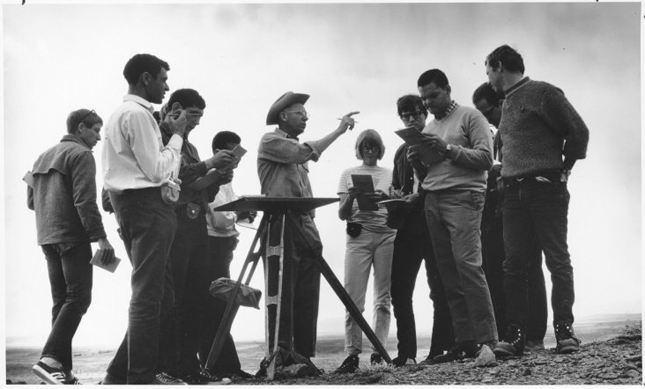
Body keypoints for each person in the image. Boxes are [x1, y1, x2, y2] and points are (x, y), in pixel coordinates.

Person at [485, 45, 589, 356]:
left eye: (488, 69)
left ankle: (564, 332)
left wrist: (563, 169)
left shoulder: (543, 92)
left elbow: (579, 132)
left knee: (557, 260)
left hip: (546, 189)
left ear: (500, 65)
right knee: (514, 264)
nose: (488, 77)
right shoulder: (507, 103)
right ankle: (515, 337)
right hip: (514, 194)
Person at [101, 53, 189, 385]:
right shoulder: (137, 114)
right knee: (150, 295)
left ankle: (116, 374)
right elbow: (155, 170)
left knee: (159, 295)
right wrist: (177, 136)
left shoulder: (120, 115)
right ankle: (139, 377)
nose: (167, 87)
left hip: (132, 207)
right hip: (148, 209)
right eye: (164, 79)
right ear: (147, 78)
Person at [257, 91, 358, 374]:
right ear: (283, 116)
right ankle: (281, 353)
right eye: (300, 113)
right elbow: (306, 153)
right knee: (283, 287)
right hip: (282, 222)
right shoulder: (271, 141)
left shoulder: (293, 145)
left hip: (304, 221)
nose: (305, 118)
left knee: (307, 289)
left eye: (306, 114)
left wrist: (311, 222)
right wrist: (339, 130)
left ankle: (302, 354)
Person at [411, 68, 497, 367]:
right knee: (448, 274)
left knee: (468, 267)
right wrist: (419, 163)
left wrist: (447, 149)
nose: (428, 103)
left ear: (447, 89)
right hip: (433, 199)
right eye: (424, 99)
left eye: (433, 95)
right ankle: (465, 343)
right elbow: (432, 172)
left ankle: (488, 343)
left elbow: (486, 159)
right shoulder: (429, 129)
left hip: (464, 198)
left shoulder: (471, 117)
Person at [27, 109, 115, 385]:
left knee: (62, 301)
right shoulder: (81, 155)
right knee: (79, 298)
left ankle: (60, 370)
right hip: (73, 237)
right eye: (95, 130)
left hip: (47, 236)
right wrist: (101, 237)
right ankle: (50, 358)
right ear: (80, 128)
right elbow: (85, 201)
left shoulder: (42, 156)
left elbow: (31, 202)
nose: (99, 137)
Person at [157, 89, 237, 384]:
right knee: (174, 298)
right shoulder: (161, 138)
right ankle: (168, 366)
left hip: (195, 226)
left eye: (200, 117)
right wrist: (209, 165)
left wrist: (218, 176)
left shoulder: (188, 146)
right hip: (175, 224)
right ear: (175, 109)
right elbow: (175, 173)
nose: (197, 123)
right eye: (193, 115)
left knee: (194, 298)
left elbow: (198, 187)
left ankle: (187, 369)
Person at [472, 82, 548, 352]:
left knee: (531, 267)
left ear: (502, 102)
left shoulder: (520, 126)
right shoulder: (498, 134)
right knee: (514, 269)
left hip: (530, 203)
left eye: (488, 111)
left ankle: (535, 337)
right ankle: (517, 335)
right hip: (506, 208)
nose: (488, 119)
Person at [389, 95, 454, 367]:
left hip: (432, 222)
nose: (411, 119)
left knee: (438, 288)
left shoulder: (433, 142)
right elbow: (398, 185)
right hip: (408, 225)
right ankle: (407, 354)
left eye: (416, 113)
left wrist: (420, 193)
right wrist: (394, 195)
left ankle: (439, 350)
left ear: (424, 114)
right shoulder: (400, 151)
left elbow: (442, 181)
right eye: (406, 115)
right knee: (399, 290)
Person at [334, 129, 395, 373]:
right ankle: (352, 354)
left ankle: (378, 352)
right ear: (359, 149)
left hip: (386, 234)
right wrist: (351, 197)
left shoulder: (391, 175)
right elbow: (341, 213)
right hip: (358, 237)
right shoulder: (348, 174)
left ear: (380, 149)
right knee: (353, 298)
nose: (370, 151)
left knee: (383, 298)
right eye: (365, 147)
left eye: (374, 147)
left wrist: (385, 198)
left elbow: (398, 208)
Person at [199, 131, 254, 380]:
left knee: (220, 305)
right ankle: (221, 365)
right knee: (217, 305)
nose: (236, 160)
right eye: (232, 154)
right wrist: (237, 214)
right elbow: (221, 218)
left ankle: (223, 364)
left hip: (222, 246)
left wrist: (238, 212)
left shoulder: (226, 180)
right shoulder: (214, 177)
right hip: (214, 247)